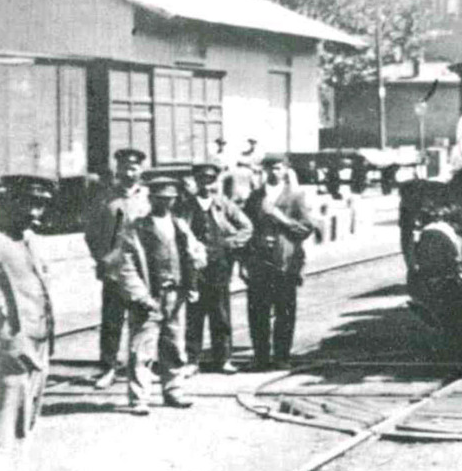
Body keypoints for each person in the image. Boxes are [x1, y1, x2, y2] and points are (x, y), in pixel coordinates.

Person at [110, 178, 206, 414]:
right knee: (142, 348)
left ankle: (173, 390)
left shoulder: (180, 225)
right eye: (159, 198)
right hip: (149, 296)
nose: (164, 203)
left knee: (174, 345)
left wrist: (196, 261)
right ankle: (139, 397)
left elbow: (197, 252)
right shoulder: (136, 227)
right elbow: (125, 263)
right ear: (150, 199)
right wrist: (140, 296)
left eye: (169, 199)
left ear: (174, 200)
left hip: (176, 295)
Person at [0, 175, 56, 471]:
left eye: (42, 204)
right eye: (29, 204)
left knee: (24, 426)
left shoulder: (29, 240)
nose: (36, 212)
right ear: (7, 202)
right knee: (2, 429)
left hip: (38, 345)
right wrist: (8, 346)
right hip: (9, 350)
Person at [82, 148, 149, 390]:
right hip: (115, 269)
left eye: (133, 167)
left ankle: (143, 368)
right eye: (124, 167)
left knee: (144, 320)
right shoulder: (105, 197)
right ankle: (109, 367)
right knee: (112, 321)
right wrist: (102, 258)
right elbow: (91, 232)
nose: (129, 172)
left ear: (141, 170)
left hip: (144, 270)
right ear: (117, 170)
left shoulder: (148, 197)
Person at [177, 164, 253, 375]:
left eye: (210, 179)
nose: (206, 184)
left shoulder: (224, 205)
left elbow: (247, 227)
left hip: (219, 266)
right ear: (195, 181)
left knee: (220, 313)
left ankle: (223, 359)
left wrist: (230, 243)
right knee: (194, 314)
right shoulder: (185, 206)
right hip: (194, 267)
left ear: (216, 182)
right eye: (202, 179)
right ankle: (192, 360)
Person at [242, 155, 316, 370]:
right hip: (259, 261)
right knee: (258, 311)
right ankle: (261, 357)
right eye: (269, 168)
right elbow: (247, 228)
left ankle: (282, 356)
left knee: (284, 310)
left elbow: (306, 228)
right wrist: (244, 262)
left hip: (286, 261)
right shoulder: (256, 197)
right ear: (264, 170)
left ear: (285, 169)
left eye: (277, 168)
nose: (273, 172)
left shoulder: (295, 196)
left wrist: (279, 217)